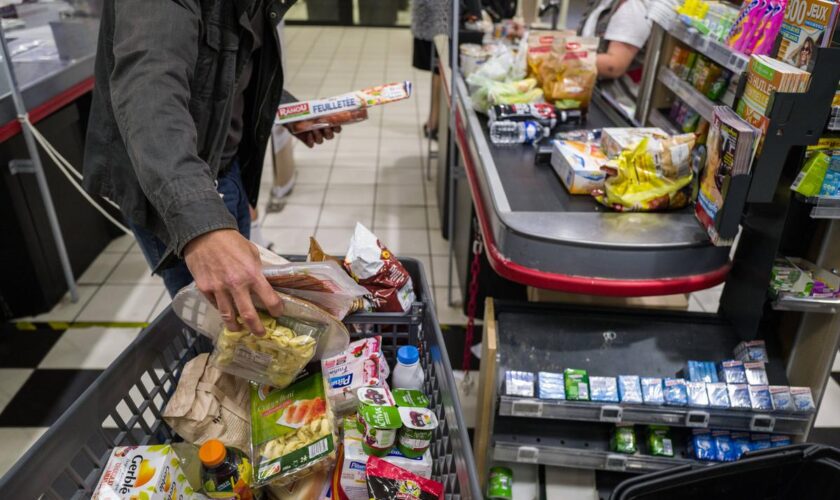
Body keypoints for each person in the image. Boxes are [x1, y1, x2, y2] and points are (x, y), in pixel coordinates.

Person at [83, 0, 338, 337]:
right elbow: (151, 92)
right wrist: (203, 228)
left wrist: (287, 107)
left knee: (242, 315)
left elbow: (228, 63)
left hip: (223, 166)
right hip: (173, 185)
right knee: (219, 330)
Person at [412, 0, 481, 139]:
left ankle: (434, 120)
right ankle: (435, 121)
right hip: (439, 19)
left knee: (439, 70)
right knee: (440, 69)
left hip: (438, 17)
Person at [580, 0, 652, 79]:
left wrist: (569, 59)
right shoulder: (603, 3)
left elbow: (614, 66)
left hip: (604, 88)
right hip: (585, 80)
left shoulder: (632, 8)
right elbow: (588, 35)